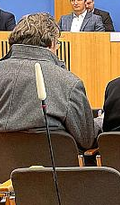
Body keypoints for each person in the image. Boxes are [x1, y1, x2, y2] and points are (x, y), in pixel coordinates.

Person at [0, 13, 99, 150]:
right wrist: (100, 122)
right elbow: (87, 139)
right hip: (52, 169)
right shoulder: (68, 82)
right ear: (52, 42)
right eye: (58, 44)